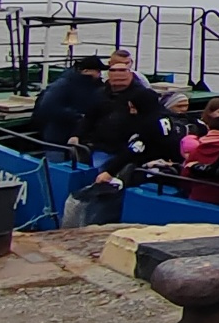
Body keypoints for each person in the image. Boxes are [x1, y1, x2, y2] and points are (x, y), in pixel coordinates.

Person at [66, 53, 165, 226]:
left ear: (130, 76)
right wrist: (77, 135)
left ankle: (117, 215)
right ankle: (95, 218)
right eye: (115, 81)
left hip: (132, 148)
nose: (118, 84)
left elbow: (154, 115)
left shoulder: (141, 96)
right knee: (100, 180)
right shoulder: (100, 95)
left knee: (124, 180)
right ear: (109, 79)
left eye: (122, 80)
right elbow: (89, 118)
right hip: (103, 146)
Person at [30, 54, 106, 148]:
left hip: (79, 136)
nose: (100, 74)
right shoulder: (64, 84)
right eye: (98, 71)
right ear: (86, 71)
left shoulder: (96, 86)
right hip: (59, 135)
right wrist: (78, 115)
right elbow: (48, 106)